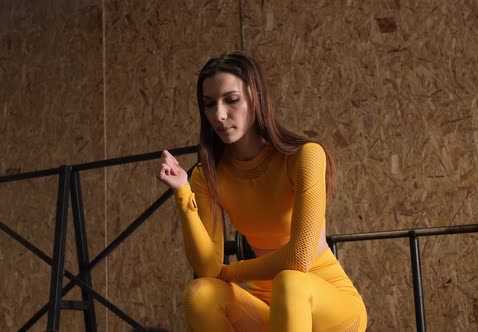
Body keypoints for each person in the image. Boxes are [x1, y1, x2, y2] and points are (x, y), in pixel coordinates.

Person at [156, 51, 367, 331]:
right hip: (267, 309)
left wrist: (232, 272)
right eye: (209, 104)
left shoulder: (304, 156)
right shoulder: (207, 175)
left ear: (255, 97)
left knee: (290, 281)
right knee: (199, 293)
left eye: (231, 100)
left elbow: (300, 257)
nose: (219, 115)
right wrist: (183, 192)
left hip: (329, 307)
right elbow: (208, 269)